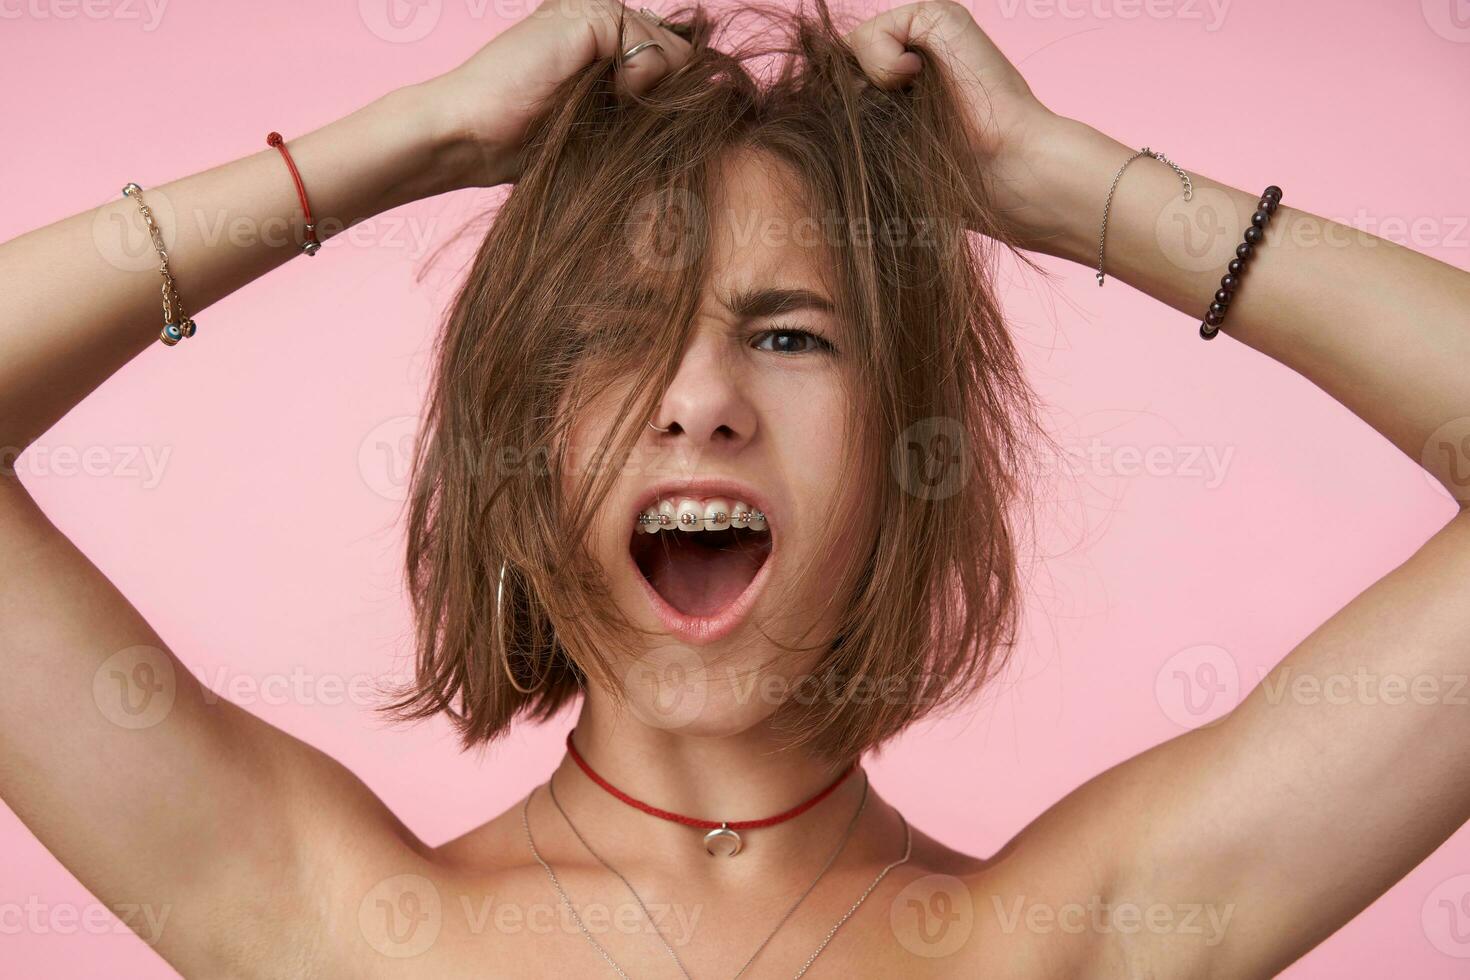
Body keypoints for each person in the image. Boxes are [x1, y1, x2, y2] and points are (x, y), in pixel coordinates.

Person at [2, 0, 1467, 976]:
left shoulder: (1065, 943)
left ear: (907, 458)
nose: (701, 400)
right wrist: (410, 142)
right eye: (621, 339)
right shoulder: (340, 932)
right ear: (515, 444)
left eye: (789, 335)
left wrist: (1069, 187)